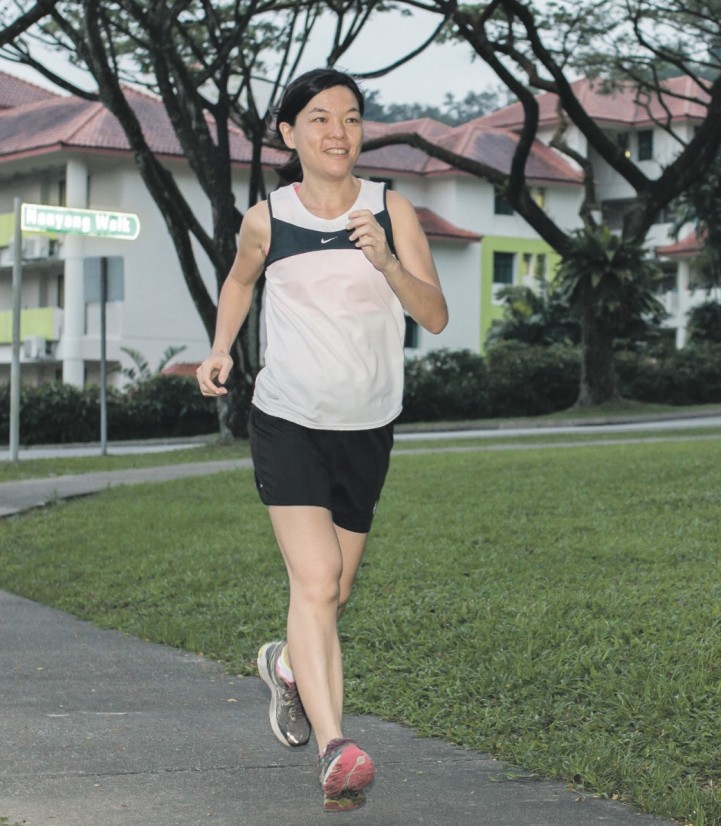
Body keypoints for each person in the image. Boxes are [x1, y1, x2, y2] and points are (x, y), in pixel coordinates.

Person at [196, 67, 448, 811]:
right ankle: (337, 745)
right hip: (287, 420)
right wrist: (220, 348)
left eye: (350, 118)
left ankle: (286, 664)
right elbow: (242, 280)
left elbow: (433, 316)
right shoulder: (267, 219)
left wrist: (387, 261)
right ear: (289, 133)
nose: (337, 132)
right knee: (314, 582)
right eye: (319, 119)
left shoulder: (393, 210)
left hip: (368, 426)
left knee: (333, 592)